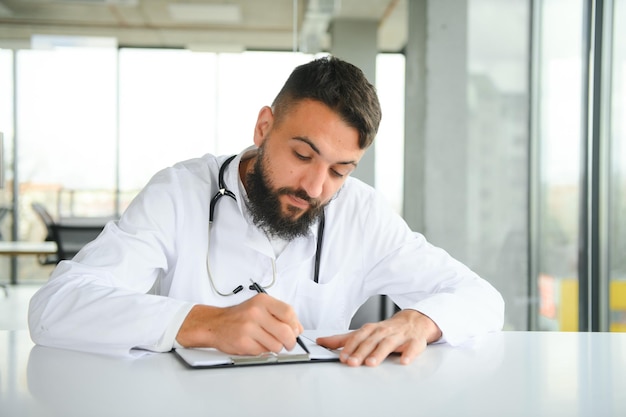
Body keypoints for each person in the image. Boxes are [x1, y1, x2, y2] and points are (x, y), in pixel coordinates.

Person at [29, 56, 504, 367]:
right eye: (302, 155)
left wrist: (417, 320)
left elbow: (482, 299)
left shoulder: (361, 212)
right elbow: (54, 309)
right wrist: (202, 323)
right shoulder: (179, 192)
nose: (316, 187)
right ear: (264, 126)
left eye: (340, 170)